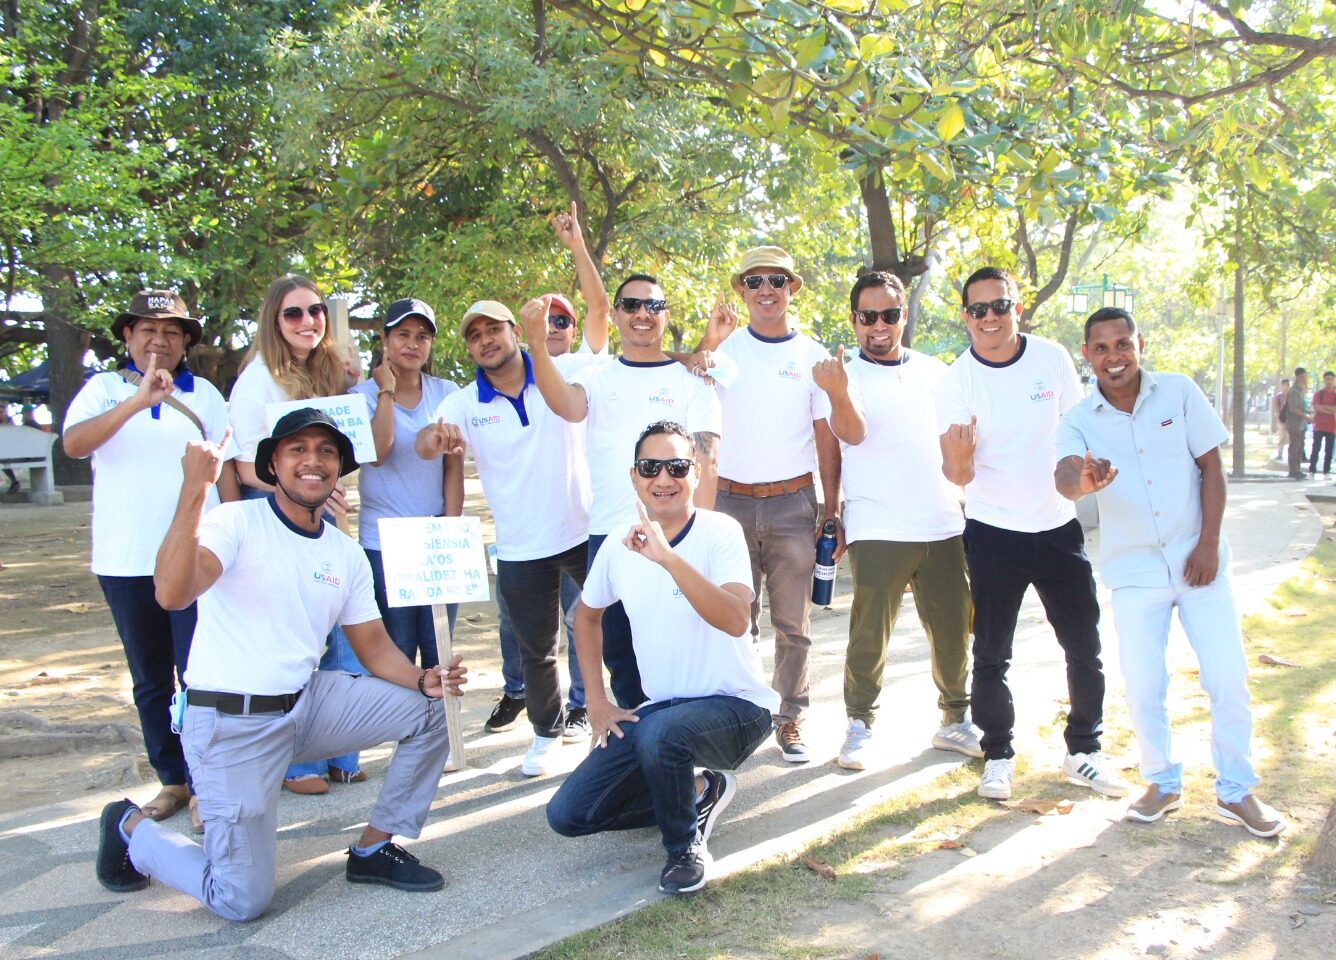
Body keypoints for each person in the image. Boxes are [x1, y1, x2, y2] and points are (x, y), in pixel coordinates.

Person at [95, 409, 467, 919]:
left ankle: (373, 848)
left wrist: (424, 679)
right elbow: (172, 593)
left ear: (339, 469)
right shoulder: (235, 522)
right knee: (240, 899)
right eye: (298, 449)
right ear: (273, 463)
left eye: (326, 452)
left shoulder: (345, 552)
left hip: (306, 705)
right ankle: (129, 826)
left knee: (432, 711)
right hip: (232, 723)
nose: (313, 461)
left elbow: (376, 648)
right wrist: (194, 491)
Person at [1055, 308, 1286, 837]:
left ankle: (1237, 790)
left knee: (1227, 678)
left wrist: (1207, 544)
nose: (1114, 356)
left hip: (1199, 565)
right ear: (1088, 355)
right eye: (1102, 347)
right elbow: (1066, 477)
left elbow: (1211, 469)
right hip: (1134, 573)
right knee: (1143, 685)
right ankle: (1161, 782)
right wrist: (1085, 482)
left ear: (1140, 344)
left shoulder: (1180, 393)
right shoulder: (1079, 419)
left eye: (1123, 344)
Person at [547, 421, 775, 895]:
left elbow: (735, 619)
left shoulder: (720, 533)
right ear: (634, 477)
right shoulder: (616, 544)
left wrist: (668, 557)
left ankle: (684, 848)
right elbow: (585, 619)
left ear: (695, 473)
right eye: (651, 468)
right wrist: (597, 700)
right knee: (569, 814)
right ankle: (698, 792)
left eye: (676, 466)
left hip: (736, 707)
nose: (663, 479)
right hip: (660, 710)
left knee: (660, 733)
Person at [937, 266, 1127, 802]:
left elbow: (1075, 434)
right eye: (978, 310)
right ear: (966, 317)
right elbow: (957, 477)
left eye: (1000, 306)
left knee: (1084, 645)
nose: (990, 318)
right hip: (994, 532)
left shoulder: (1052, 358)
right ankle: (998, 755)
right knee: (992, 653)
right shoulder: (957, 381)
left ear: (1017, 307)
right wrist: (959, 457)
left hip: (1057, 526)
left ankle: (1084, 751)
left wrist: (1086, 476)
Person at [63, 289, 239, 827]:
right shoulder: (102, 389)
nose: (159, 341)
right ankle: (172, 780)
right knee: (151, 679)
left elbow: (227, 469)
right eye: (147, 331)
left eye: (171, 332)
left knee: (202, 673)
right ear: (127, 337)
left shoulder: (206, 394)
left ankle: (210, 783)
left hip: (195, 559)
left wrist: (237, 530)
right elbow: (73, 444)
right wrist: (138, 400)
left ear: (186, 342)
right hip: (124, 559)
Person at [527, 271, 721, 713]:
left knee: (684, 651)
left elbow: (707, 464)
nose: (641, 314)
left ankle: (685, 758)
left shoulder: (693, 382)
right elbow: (565, 405)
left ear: (665, 316)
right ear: (615, 315)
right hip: (612, 537)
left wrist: (697, 539)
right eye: (631, 305)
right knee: (622, 658)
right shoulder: (597, 378)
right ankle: (640, 752)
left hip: (678, 539)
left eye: (652, 306)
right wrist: (537, 344)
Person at [812, 272, 978, 770]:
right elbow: (851, 436)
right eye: (867, 317)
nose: (878, 326)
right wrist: (839, 392)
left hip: (943, 520)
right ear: (854, 320)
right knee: (870, 631)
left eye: (888, 315)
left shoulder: (938, 372)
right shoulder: (843, 376)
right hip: (878, 523)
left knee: (953, 629)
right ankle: (860, 723)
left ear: (904, 317)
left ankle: (955, 720)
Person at [417, 300, 590, 776]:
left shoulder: (560, 369)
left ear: (516, 331)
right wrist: (435, 439)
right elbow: (426, 440)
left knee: (612, 630)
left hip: (581, 532)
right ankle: (545, 733)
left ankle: (614, 716)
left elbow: (599, 321)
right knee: (535, 650)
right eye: (474, 336)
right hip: (520, 546)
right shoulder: (463, 402)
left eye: (493, 329)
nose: (485, 340)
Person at [691, 245, 839, 763]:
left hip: (792, 502)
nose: (766, 290)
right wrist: (709, 340)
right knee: (736, 619)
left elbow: (826, 439)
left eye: (777, 280)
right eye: (755, 281)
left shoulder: (812, 355)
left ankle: (790, 717)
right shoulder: (726, 352)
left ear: (792, 288)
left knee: (793, 625)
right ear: (742, 291)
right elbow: (684, 380)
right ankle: (741, 716)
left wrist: (831, 506)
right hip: (729, 501)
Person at [228, 274, 365, 793]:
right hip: (277, 514)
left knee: (339, 628)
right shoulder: (257, 381)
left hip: (323, 514)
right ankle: (296, 763)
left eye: (315, 311)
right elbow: (245, 466)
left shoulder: (327, 372)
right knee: (296, 637)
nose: (307, 322)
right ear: (273, 321)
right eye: (293, 314)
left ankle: (338, 751)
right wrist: (304, 487)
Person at [488, 205, 611, 740]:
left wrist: (577, 245)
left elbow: (601, 307)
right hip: (527, 538)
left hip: (582, 526)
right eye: (547, 321)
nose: (558, 329)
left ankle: (592, 706)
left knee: (595, 623)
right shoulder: (513, 378)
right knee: (538, 640)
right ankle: (549, 725)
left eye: (563, 321)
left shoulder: (585, 366)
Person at [352, 298, 462, 668]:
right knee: (397, 650)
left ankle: (438, 728)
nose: (413, 344)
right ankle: (402, 728)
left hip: (434, 541)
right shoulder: (361, 396)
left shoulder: (446, 391)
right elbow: (376, 452)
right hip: (382, 544)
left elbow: (453, 466)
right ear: (385, 340)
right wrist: (385, 392)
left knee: (439, 651)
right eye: (403, 335)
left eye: (422, 336)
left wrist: (451, 525)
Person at [1284, 368, 1312, 480]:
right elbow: (1293, 409)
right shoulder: (1294, 391)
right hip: (1294, 424)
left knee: (1299, 447)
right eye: (1304, 376)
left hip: (1301, 424)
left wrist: (1309, 414)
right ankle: (1293, 470)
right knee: (1294, 447)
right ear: (1299, 376)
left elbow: (1302, 407)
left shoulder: (1301, 391)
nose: (1306, 379)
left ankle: (1297, 469)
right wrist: (1306, 417)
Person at [1309, 371, 1335, 478]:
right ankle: (1312, 471)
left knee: (1329, 450)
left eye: (1331, 379)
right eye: (1327, 379)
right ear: (1324, 380)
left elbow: (1334, 409)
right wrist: (1330, 410)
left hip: (1332, 427)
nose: (1329, 381)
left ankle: (1326, 472)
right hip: (1319, 426)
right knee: (1316, 448)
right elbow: (1316, 407)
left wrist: (1324, 408)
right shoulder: (1318, 394)